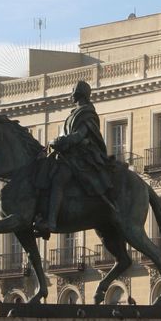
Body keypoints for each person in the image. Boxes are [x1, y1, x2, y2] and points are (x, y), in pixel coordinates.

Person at [34, 81, 114, 237]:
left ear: (79, 93)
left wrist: (62, 141)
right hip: (69, 154)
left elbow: (79, 136)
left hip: (82, 157)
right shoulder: (74, 113)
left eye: (73, 91)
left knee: (59, 178)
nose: (70, 94)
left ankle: (51, 221)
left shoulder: (87, 113)